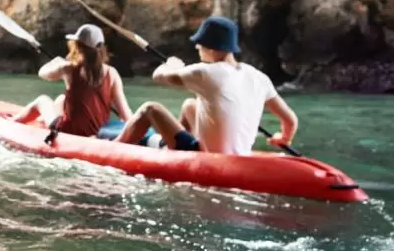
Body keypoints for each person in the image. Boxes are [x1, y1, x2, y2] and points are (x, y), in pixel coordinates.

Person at [115, 15, 298, 154]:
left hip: (207, 155)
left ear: (211, 48)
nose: (196, 47)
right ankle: (169, 151)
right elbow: (290, 120)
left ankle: (112, 148)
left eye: (199, 44)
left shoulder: (205, 73)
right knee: (190, 105)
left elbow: (158, 76)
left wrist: (171, 65)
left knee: (150, 109)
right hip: (239, 154)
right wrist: (283, 138)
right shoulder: (259, 77)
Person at [12, 23, 133, 137]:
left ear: (78, 47)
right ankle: (41, 120)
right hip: (97, 132)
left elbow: (42, 73)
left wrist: (56, 62)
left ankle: (12, 122)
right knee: (61, 99)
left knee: (42, 100)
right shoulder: (112, 73)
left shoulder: (69, 68)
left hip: (69, 131)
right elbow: (126, 115)